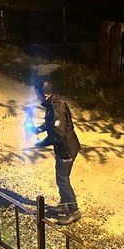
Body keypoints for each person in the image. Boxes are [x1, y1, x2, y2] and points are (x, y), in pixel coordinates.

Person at [31, 80, 82, 225]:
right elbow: (53, 125)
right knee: (61, 176)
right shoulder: (56, 103)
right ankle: (65, 203)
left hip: (66, 150)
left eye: (38, 95)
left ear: (46, 94)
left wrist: (41, 143)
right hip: (66, 147)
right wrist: (40, 129)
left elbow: (57, 136)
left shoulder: (55, 109)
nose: (37, 98)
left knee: (62, 180)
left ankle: (74, 210)